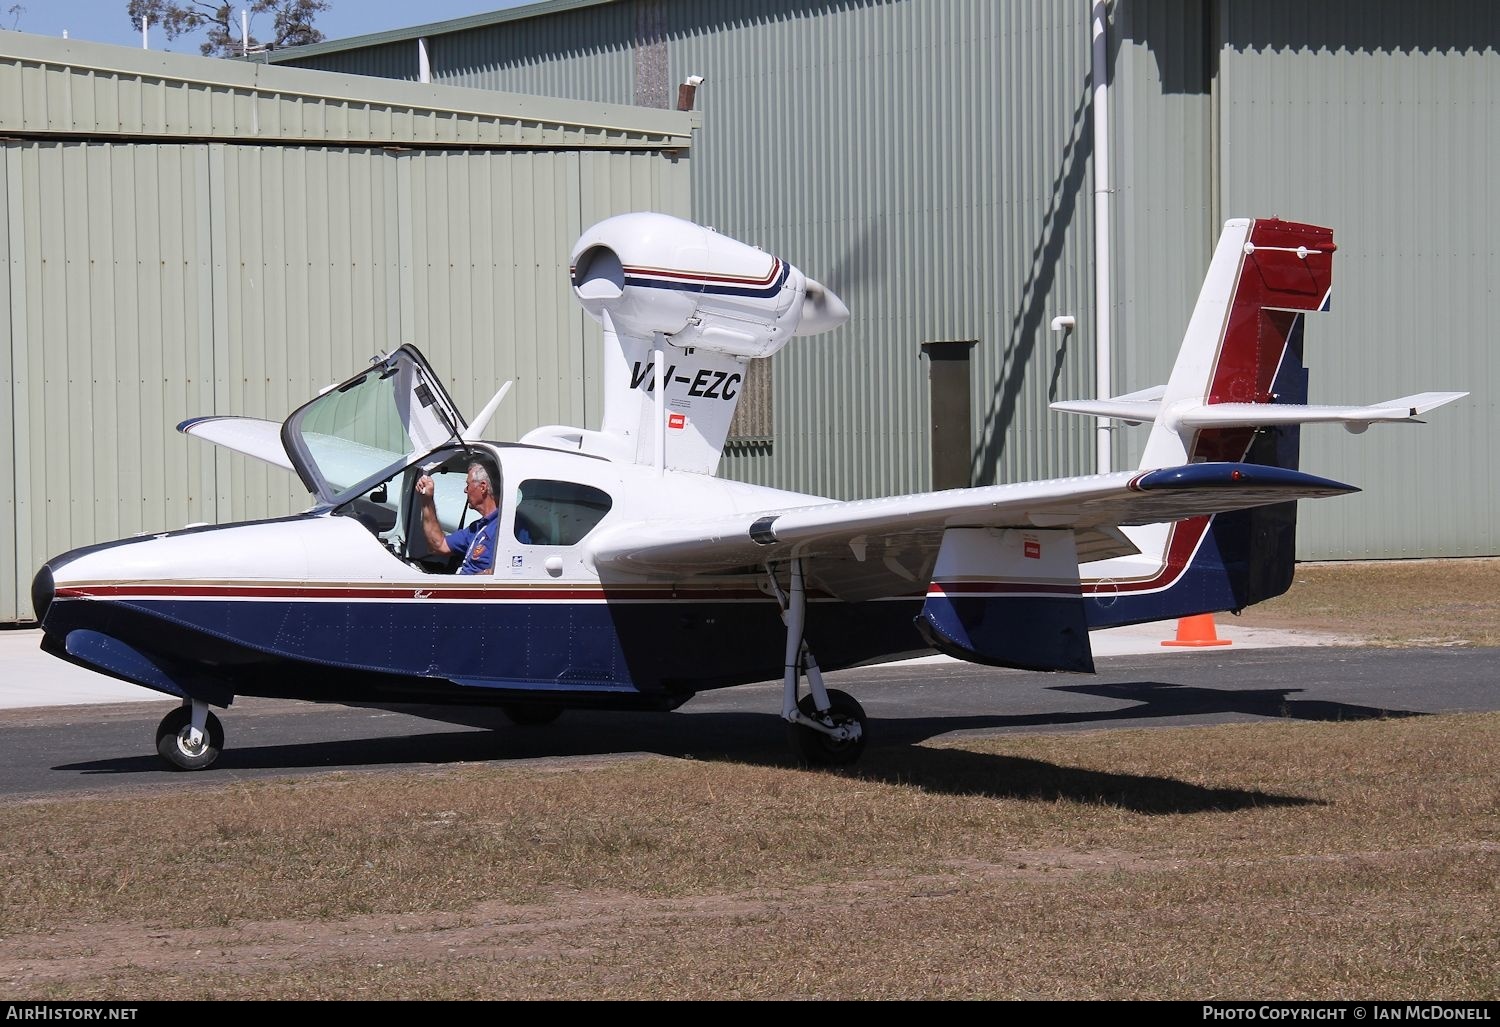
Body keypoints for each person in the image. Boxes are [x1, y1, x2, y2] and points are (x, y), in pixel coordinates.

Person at [414, 460, 500, 575]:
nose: (465, 490)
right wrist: (427, 500)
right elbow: (439, 545)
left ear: (483, 487)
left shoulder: (506, 526)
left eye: (468, 485)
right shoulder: (477, 528)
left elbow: (508, 572)